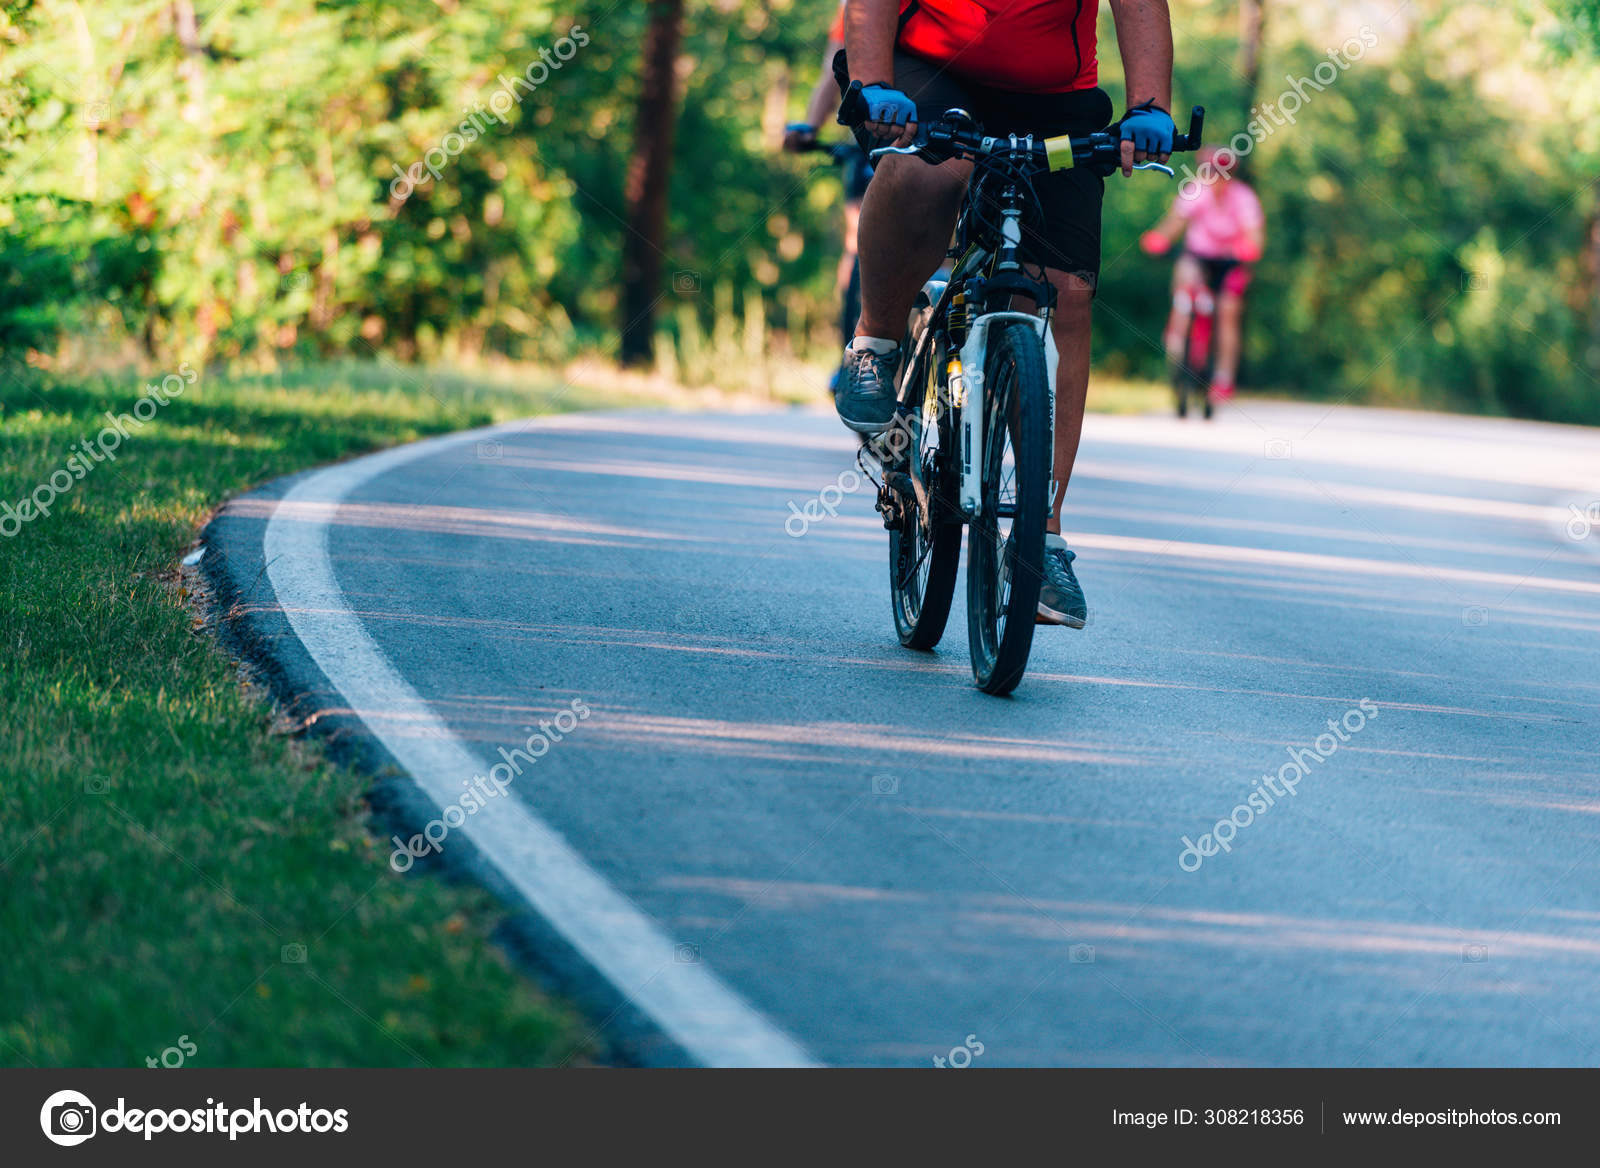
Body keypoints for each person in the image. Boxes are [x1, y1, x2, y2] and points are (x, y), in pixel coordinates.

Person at [836, 0, 1175, 628]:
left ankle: (1040, 541)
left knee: (1065, 295)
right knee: (933, 171)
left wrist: (1150, 106)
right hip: (930, 71)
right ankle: (875, 345)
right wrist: (875, 84)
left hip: (1054, 95)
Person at [1139, 145, 1264, 405]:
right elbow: (1175, 222)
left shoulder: (1244, 198)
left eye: (1223, 173)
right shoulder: (1196, 190)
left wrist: (1249, 249)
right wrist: (1159, 239)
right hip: (1197, 256)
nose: (1216, 178)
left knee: (1228, 312)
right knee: (1185, 279)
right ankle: (1178, 335)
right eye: (1211, 171)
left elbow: (1254, 235)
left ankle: (1222, 378)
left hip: (1230, 261)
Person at [784, 4, 873, 361]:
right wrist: (809, 126)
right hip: (880, 136)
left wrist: (809, 128)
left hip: (916, 131)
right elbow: (832, 70)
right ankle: (855, 347)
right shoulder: (855, 8)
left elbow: (828, 73)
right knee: (857, 241)